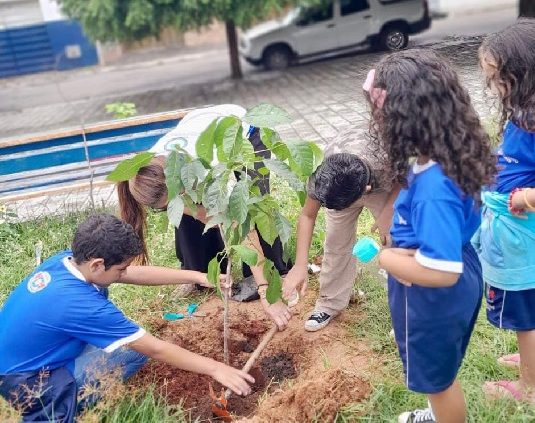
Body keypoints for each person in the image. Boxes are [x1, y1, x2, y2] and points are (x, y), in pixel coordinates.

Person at [0, 214, 254, 422]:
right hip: (30, 386)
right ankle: (52, 413)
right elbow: (155, 348)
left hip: (24, 359)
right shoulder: (80, 305)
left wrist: (197, 276)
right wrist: (216, 368)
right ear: (97, 264)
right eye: (120, 268)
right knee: (134, 350)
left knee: (127, 348)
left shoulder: (68, 261)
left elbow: (131, 273)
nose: (123, 273)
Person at [370, 50, 495, 423]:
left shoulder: (433, 187)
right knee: (441, 365)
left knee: (437, 380)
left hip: (432, 292)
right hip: (454, 270)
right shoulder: (451, 153)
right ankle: (437, 414)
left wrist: (388, 258)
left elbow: (442, 272)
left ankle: (444, 414)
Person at [117, 105, 292, 330]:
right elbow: (197, 211)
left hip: (241, 133)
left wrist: (265, 289)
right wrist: (200, 213)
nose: (177, 204)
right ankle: (200, 274)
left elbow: (242, 225)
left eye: (175, 198)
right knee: (188, 219)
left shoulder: (211, 168)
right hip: (197, 128)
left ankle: (272, 271)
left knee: (254, 210)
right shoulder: (145, 172)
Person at [472, 19, 535, 403]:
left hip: (524, 229)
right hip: (515, 227)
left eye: (499, 78)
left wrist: (527, 198)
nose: (493, 88)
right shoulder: (524, 111)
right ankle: (531, 358)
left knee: (527, 316)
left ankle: (529, 389)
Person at [282, 128, 401, 331]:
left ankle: (405, 314)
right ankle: (329, 304)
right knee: (336, 242)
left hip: (388, 184)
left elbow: (406, 181)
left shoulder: (387, 158)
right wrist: (300, 265)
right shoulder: (325, 175)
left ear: (365, 191)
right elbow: (307, 215)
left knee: (397, 240)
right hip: (348, 183)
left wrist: (387, 215)